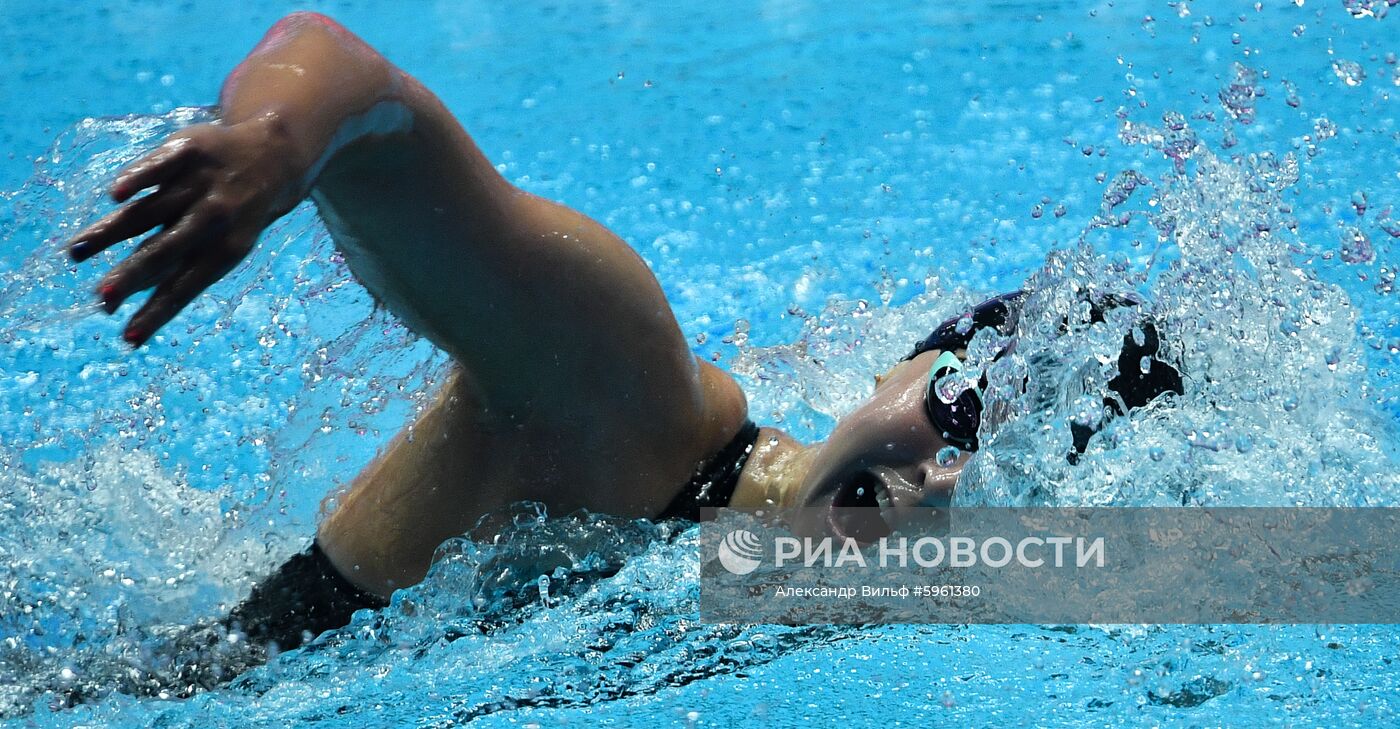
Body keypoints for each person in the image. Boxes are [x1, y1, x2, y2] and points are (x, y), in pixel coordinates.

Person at [66, 12, 1181, 690]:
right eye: (953, 409)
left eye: (1006, 467)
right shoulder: (624, 397)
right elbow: (342, 63)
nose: (942, 472)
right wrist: (276, 143)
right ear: (895, 374)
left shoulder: (795, 597)